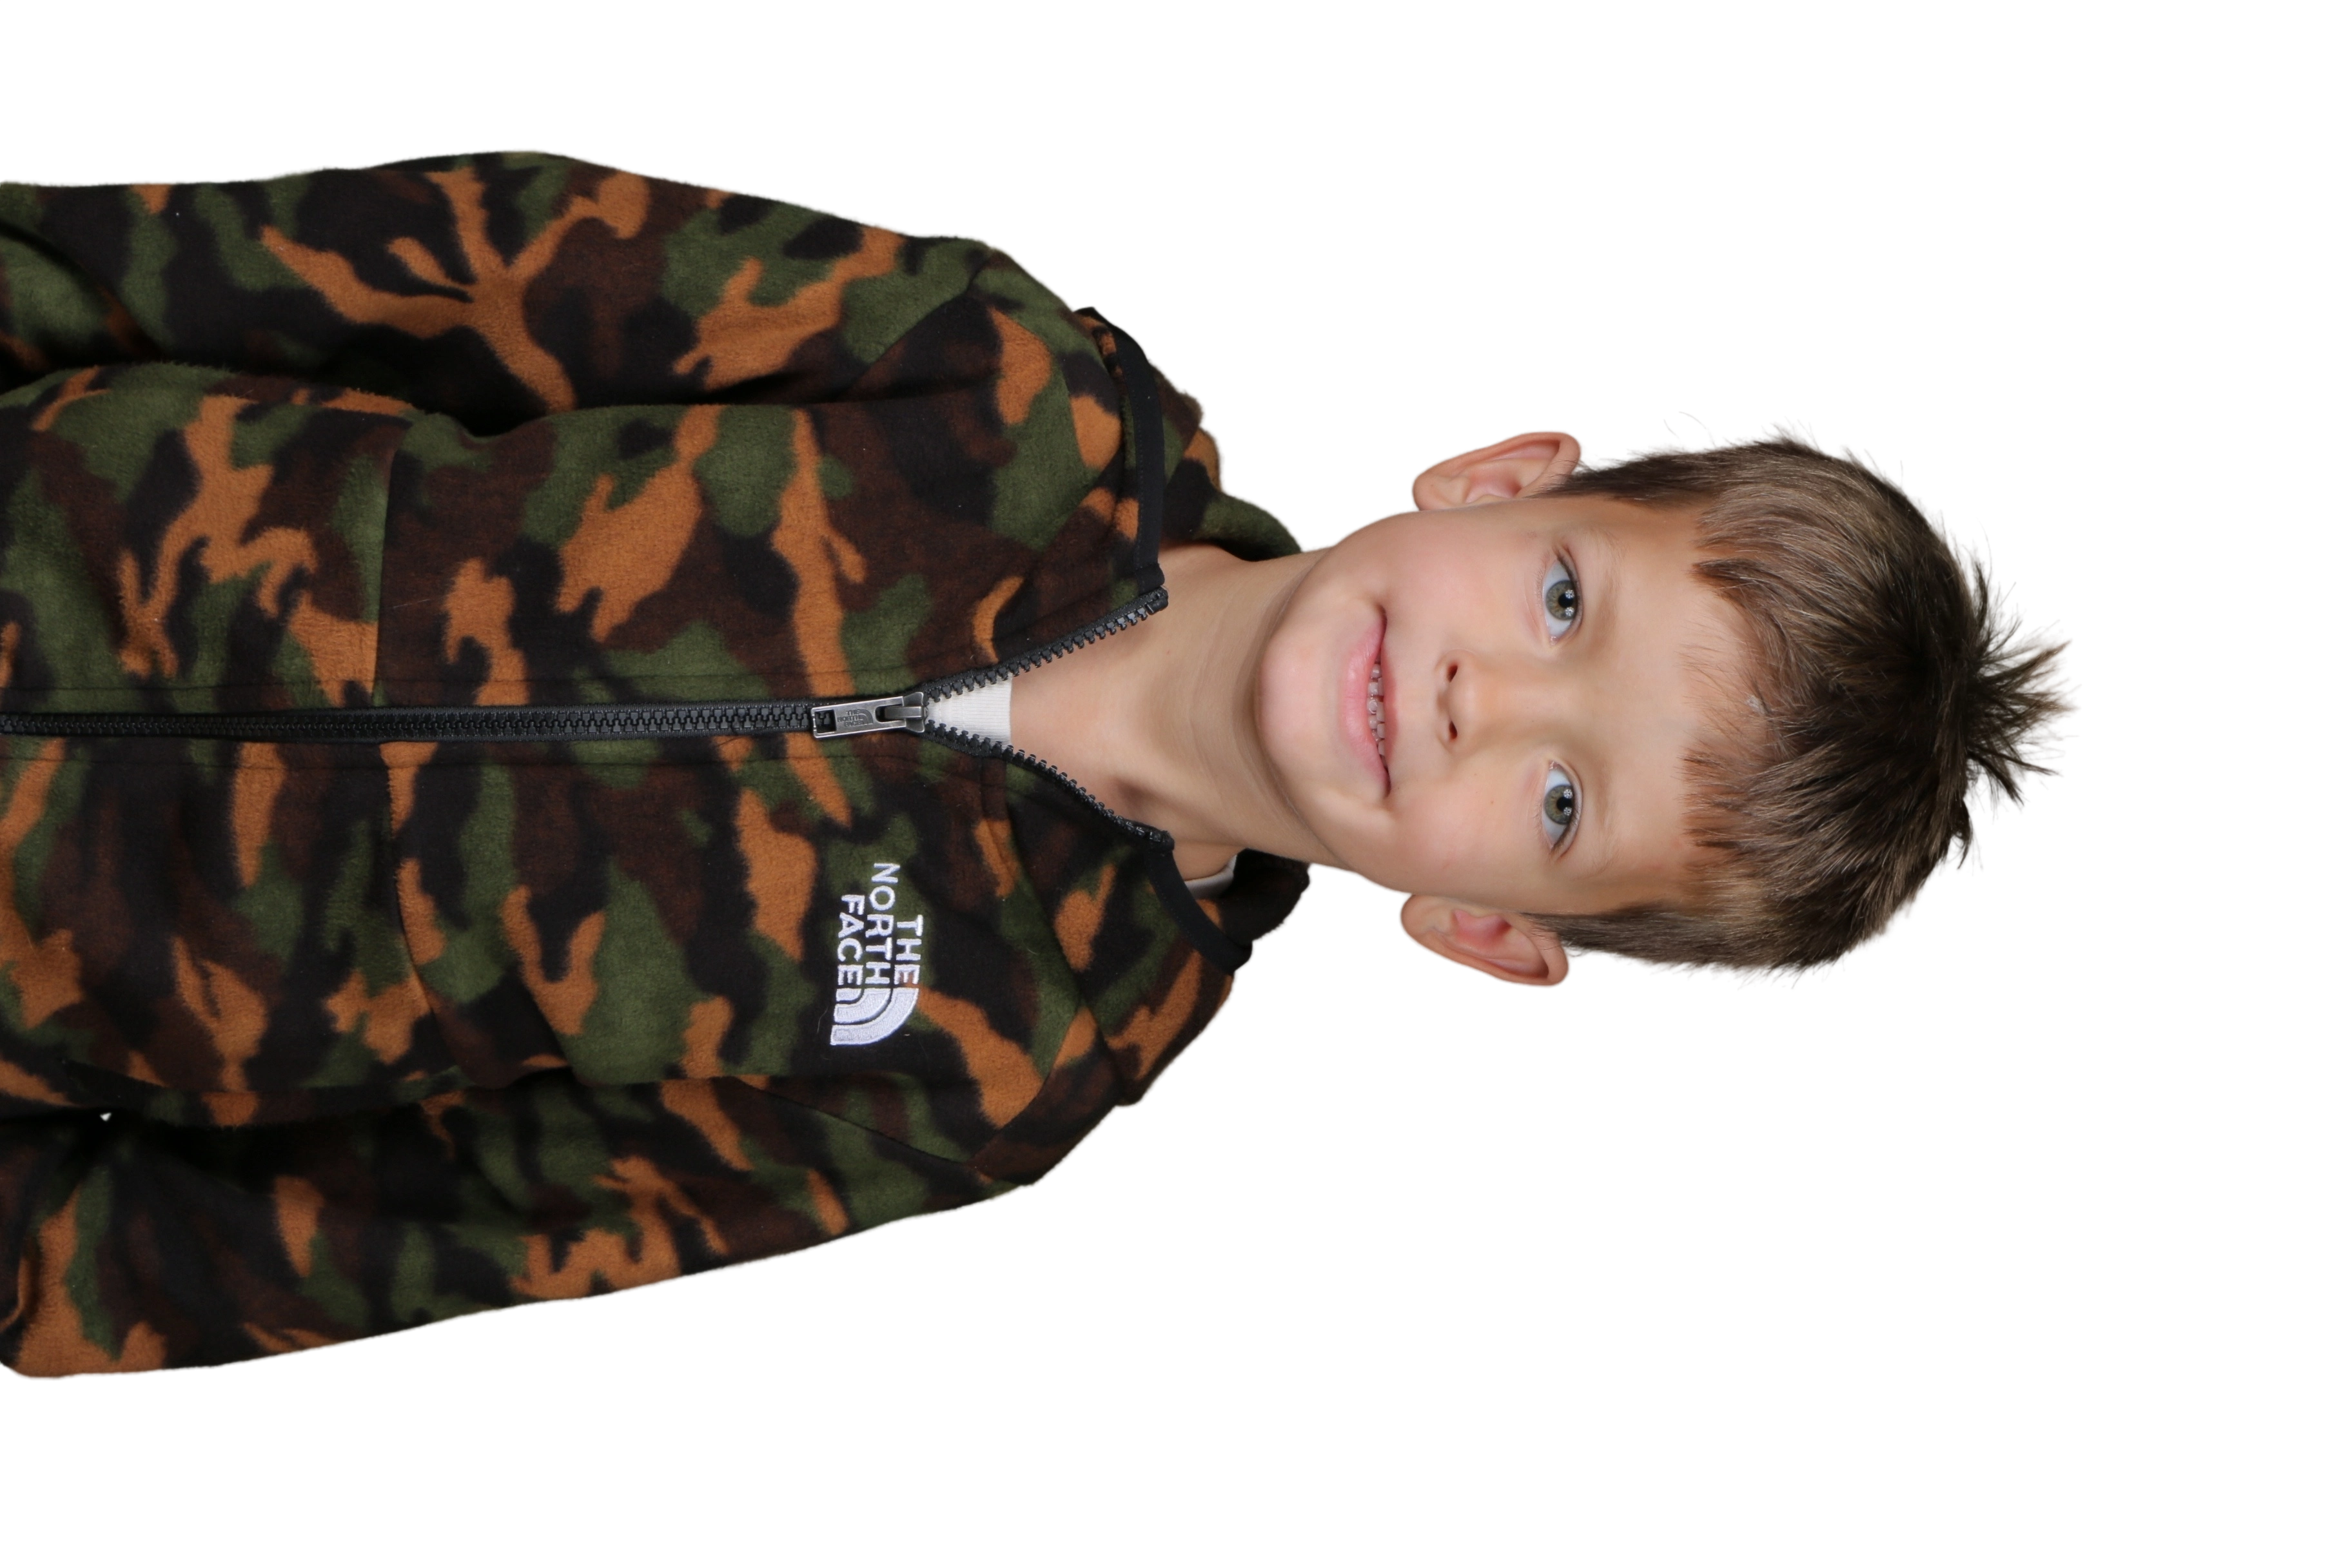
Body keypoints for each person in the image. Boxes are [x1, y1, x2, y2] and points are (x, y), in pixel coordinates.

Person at [0, 148, 2075, 1377]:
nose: (1483, 699)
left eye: (1561, 802)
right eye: (1561, 604)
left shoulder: (1019, 1061)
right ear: (1507, 472)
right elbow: (441, 263)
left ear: (1490, 933)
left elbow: (396, 1232)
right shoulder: (1006, 382)